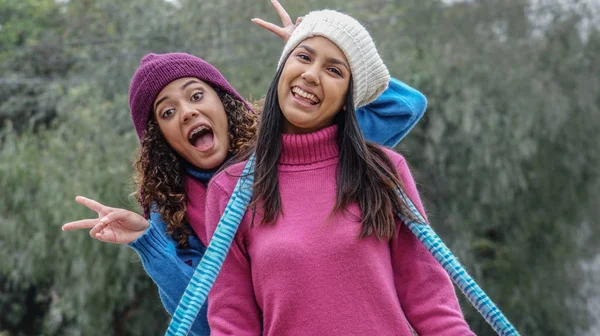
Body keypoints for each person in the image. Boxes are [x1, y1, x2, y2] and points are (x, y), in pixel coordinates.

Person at [62, 3, 427, 335]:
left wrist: (311, 56)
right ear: (161, 140)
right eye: (168, 112)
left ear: (224, 103)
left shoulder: (297, 141)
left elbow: (403, 106)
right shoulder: (173, 214)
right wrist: (149, 244)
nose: (187, 112)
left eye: (196, 95)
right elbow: (204, 322)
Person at [204, 9, 474, 336]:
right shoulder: (230, 190)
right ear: (282, 68)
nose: (311, 75)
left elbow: (430, 301)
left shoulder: (383, 171)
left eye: (334, 69)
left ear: (349, 99)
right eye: (303, 57)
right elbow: (232, 322)